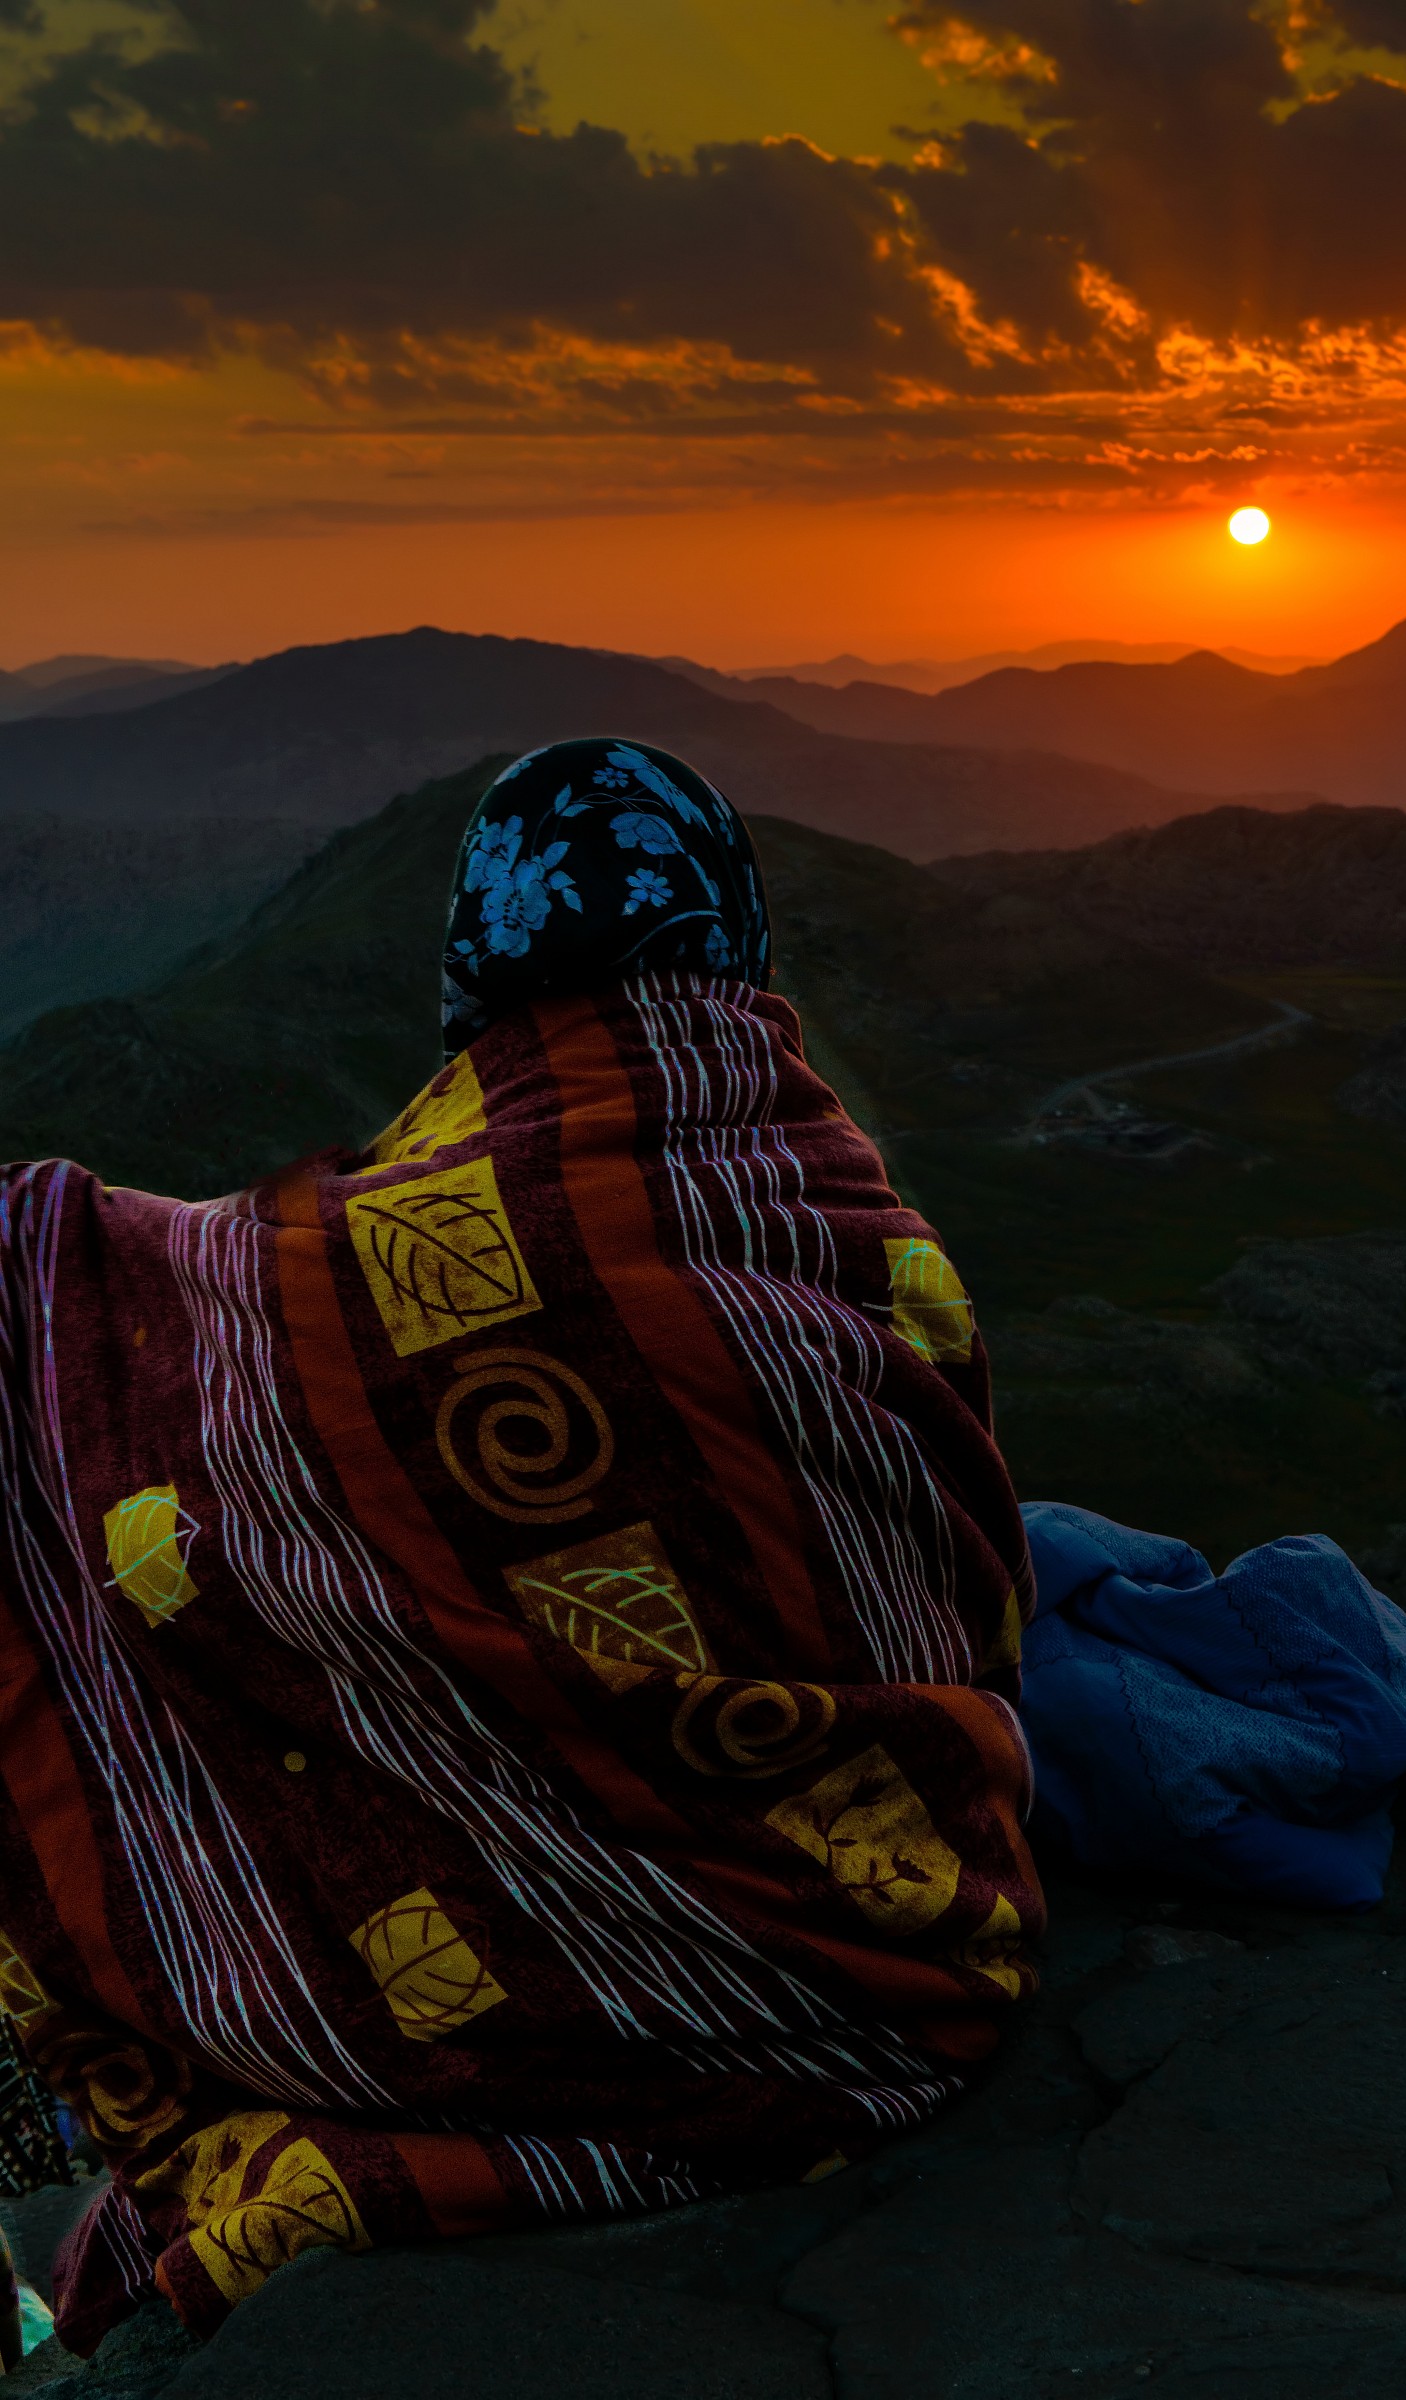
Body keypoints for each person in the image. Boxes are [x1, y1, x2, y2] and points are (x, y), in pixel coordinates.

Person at [0, 740, 1038, 2354]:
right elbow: (957, 1610)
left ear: (482, 962)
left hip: (528, 2024)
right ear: (731, 929)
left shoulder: (393, 1282)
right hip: (901, 1962)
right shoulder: (861, 1238)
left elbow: (163, 1341)